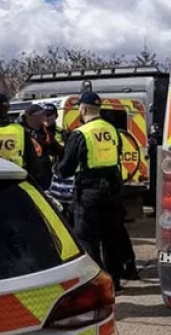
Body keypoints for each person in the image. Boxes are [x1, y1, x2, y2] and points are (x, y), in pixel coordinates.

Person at [54, 91, 133, 289]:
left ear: (83, 108)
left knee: (87, 237)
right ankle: (115, 280)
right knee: (111, 236)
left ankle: (97, 281)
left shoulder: (80, 133)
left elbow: (66, 168)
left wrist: (57, 168)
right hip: (113, 189)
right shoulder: (113, 130)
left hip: (89, 191)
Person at [22, 103, 63, 190]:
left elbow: (59, 150)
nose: (44, 118)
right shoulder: (23, 132)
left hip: (47, 173)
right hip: (30, 174)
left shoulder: (45, 132)